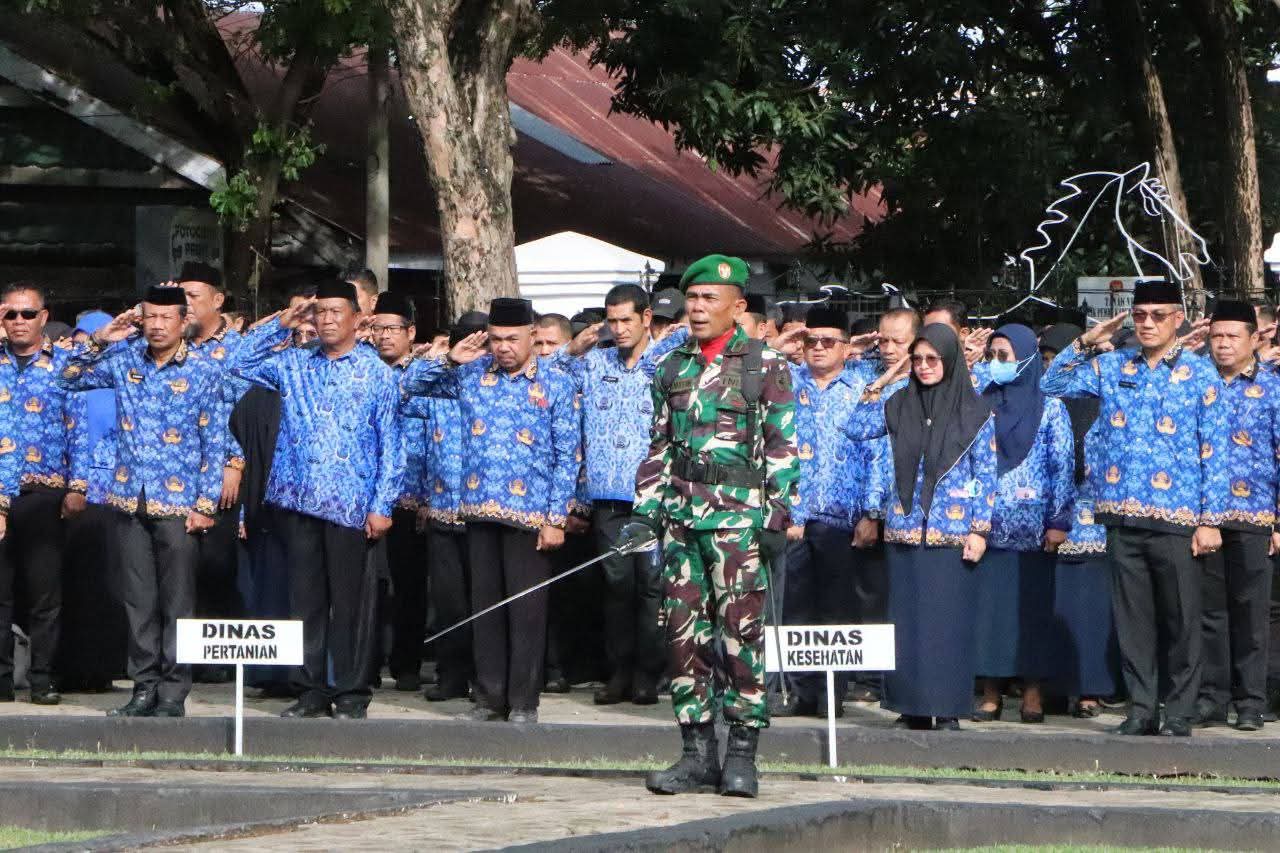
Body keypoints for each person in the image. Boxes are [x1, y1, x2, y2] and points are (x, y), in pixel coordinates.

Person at [635, 254, 798, 799]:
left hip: (738, 525)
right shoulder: (671, 366)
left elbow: (782, 447)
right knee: (683, 636)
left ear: (738, 306)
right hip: (681, 522)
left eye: (710, 299)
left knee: (741, 638)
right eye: (693, 298)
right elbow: (661, 445)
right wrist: (644, 512)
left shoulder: (764, 364)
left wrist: (776, 518)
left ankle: (743, 756)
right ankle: (696, 755)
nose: (698, 308)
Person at [1041, 279, 1227, 737]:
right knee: (1133, 620)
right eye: (1139, 315)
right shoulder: (1113, 365)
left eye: (1157, 315)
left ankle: (1179, 709)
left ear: (1178, 319)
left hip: (1178, 516)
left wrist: (1210, 520)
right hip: (1121, 514)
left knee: (1182, 618)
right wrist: (1086, 341)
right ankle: (1142, 707)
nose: (1146, 324)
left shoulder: (1201, 374)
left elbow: (1215, 450)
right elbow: (1052, 381)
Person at [230, 280, 403, 720]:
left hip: (350, 504)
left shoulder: (377, 373)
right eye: (319, 312)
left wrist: (382, 505)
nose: (326, 320)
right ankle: (309, 690)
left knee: (349, 603)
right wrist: (280, 323)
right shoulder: (293, 365)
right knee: (303, 601)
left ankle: (349, 691)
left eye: (335, 312)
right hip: (297, 500)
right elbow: (234, 360)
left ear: (358, 319)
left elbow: (392, 446)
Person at [402, 297, 579, 724]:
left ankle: (523, 702)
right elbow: (408, 386)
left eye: (512, 339)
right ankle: (488, 697)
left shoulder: (556, 383)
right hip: (477, 510)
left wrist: (556, 518)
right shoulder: (470, 376)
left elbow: (567, 454)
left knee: (526, 612)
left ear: (533, 337)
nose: (503, 348)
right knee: (486, 610)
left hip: (531, 516)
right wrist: (448, 358)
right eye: (496, 339)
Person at [60, 286, 228, 717]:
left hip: (179, 503)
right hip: (129, 497)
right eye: (149, 317)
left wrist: (206, 505)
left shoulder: (205, 370)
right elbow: (66, 375)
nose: (156, 326)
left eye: (165, 318)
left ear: (182, 321)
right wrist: (103, 337)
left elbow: (216, 441)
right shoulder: (124, 359)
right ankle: (143, 686)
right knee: (137, 600)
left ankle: (173, 692)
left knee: (178, 602)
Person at [848, 324, 996, 731]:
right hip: (906, 530)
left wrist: (980, 530)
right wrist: (885, 379)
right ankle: (910, 706)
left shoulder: (976, 410)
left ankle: (947, 708)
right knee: (907, 623)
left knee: (947, 623)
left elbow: (986, 474)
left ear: (950, 361)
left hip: (954, 533)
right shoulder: (899, 403)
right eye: (918, 359)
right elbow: (855, 426)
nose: (925, 367)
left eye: (933, 359)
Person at [557, 284, 689, 705]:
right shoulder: (596, 363)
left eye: (626, 320)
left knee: (651, 586)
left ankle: (649, 673)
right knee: (616, 586)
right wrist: (573, 348)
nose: (619, 329)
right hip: (606, 495)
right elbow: (551, 372)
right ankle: (619, 671)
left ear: (646, 317)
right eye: (612, 321)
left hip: (652, 495)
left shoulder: (667, 360)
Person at [777, 306, 880, 717]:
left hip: (843, 516)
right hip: (795, 517)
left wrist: (871, 513)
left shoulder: (862, 388)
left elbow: (877, 452)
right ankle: (800, 692)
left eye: (827, 342)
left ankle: (832, 694)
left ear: (845, 347)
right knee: (795, 606)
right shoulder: (784, 383)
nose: (817, 348)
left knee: (837, 608)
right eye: (810, 341)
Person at [970, 325, 1074, 724]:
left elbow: (1061, 465)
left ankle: (1032, 694)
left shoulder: (1050, 407)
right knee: (991, 613)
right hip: (985, 526)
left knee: (1031, 612)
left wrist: (1059, 521)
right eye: (992, 355)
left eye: (1006, 355)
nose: (998, 363)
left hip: (1033, 530)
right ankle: (991, 693)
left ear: (1028, 358)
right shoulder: (981, 401)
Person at [1197, 299, 1280, 732]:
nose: (1223, 345)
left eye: (1232, 337)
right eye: (1216, 336)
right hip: (1203, 520)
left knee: (1251, 614)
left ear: (1255, 338)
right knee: (1209, 613)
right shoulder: (1196, 384)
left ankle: (1250, 701)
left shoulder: (1274, 389)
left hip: (1255, 517)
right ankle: (1212, 698)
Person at [0, 282, 81, 705]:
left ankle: (44, 677)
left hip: (44, 493)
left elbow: (82, 431)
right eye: (10, 314)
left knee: (45, 593)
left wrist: (79, 486)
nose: (18, 322)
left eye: (27, 314)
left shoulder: (65, 365)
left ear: (44, 317)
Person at [1039, 324, 1116, 718]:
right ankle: (1055, 688)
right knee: (1056, 609)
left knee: (1093, 612)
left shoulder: (1118, 394)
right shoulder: (1059, 399)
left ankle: (1091, 690)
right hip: (1057, 519)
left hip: (1102, 523)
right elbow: (1050, 383)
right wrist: (1081, 347)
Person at [175, 262, 246, 682]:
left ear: (218, 301)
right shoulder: (171, 344)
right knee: (181, 568)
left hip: (222, 470)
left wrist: (234, 464)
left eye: (191, 297)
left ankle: (219, 656)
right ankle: (185, 656)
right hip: (175, 473)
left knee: (219, 564)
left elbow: (243, 412)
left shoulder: (237, 348)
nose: (184, 306)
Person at [418, 313, 486, 702]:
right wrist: (441, 359)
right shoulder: (437, 387)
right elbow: (403, 391)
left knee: (485, 602)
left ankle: (485, 678)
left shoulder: (497, 385)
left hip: (485, 513)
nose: (474, 353)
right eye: (466, 344)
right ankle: (451, 675)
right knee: (449, 603)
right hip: (442, 510)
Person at [58, 310, 125, 692]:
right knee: (74, 583)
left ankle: (103, 666)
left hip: (112, 496)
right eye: (83, 335)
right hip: (74, 496)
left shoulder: (120, 379)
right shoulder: (73, 379)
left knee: (109, 585)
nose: (86, 341)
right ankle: (73, 665)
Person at [370, 292, 431, 691]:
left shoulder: (426, 375)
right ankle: (366, 664)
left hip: (412, 497)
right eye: (378, 329)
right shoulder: (363, 370)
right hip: (368, 498)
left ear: (411, 333)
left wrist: (428, 497)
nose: (385, 336)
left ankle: (407, 664)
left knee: (409, 586)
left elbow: (435, 438)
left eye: (393, 329)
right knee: (369, 588)